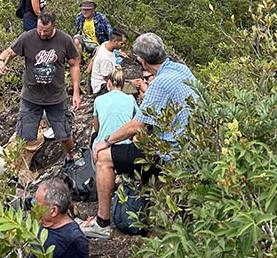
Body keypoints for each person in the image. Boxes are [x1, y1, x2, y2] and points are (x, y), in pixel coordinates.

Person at [82, 33, 197, 240]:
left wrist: (105, 142)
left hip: (170, 155)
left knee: (104, 157)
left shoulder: (160, 83)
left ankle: (102, 223)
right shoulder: (183, 70)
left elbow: (137, 124)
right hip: (192, 147)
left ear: (141, 60)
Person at [0, 10, 82, 163]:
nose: (42, 34)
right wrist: (1, 60)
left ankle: (71, 159)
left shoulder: (65, 40)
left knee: (64, 133)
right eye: (39, 29)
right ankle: (16, 171)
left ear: (54, 26)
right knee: (24, 136)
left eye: (46, 31)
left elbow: (74, 64)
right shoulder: (28, 37)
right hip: (31, 97)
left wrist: (76, 92)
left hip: (56, 97)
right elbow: (9, 51)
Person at [24, 179, 90, 258]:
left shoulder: (72, 238)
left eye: (36, 204)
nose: (32, 207)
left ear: (53, 210)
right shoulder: (38, 221)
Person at [92, 68, 136, 149]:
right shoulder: (131, 99)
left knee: (93, 132)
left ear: (109, 83)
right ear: (123, 85)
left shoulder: (98, 100)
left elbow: (96, 128)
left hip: (103, 144)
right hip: (125, 145)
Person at [88, 28, 127, 95]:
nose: (123, 46)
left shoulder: (105, 44)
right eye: (121, 44)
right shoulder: (105, 59)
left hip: (109, 80)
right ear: (115, 41)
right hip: (102, 87)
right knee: (132, 87)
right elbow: (107, 78)